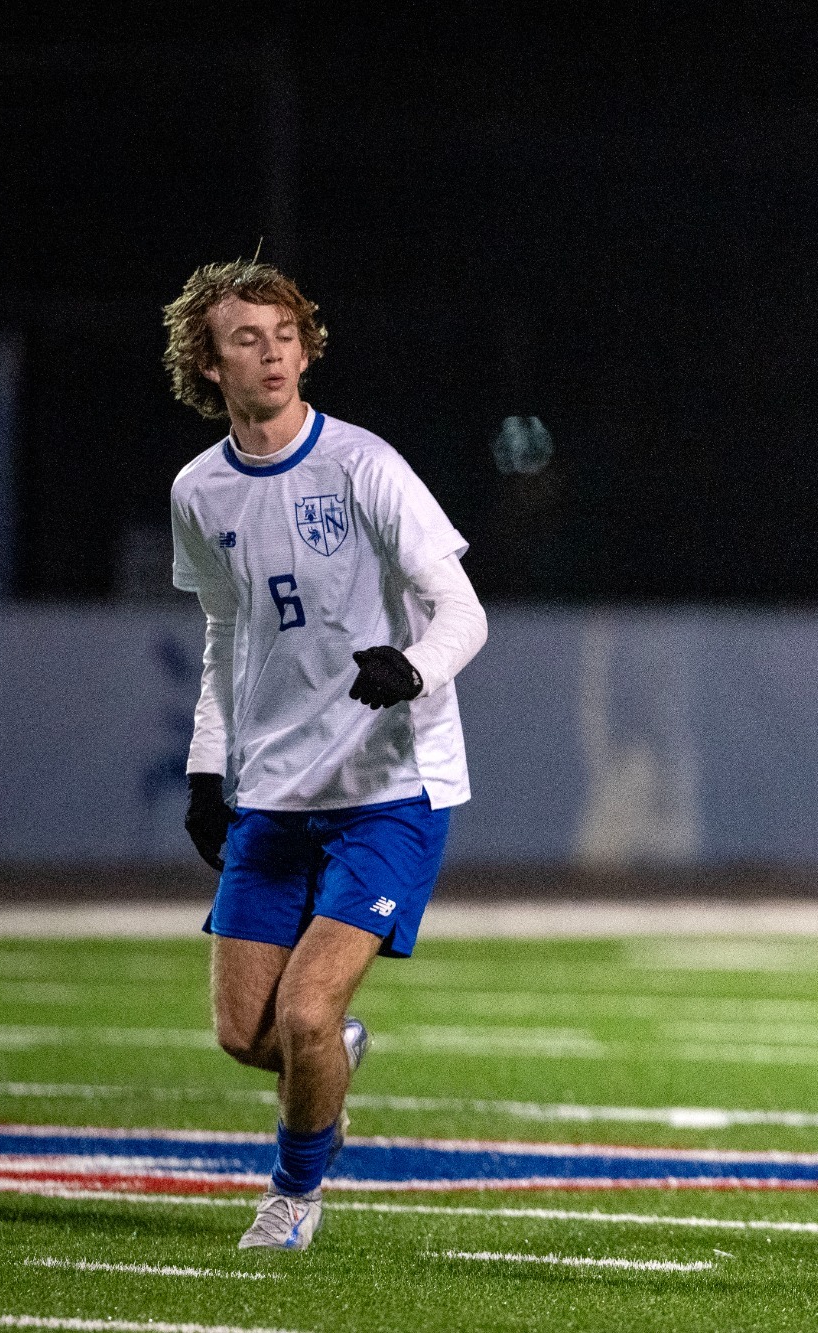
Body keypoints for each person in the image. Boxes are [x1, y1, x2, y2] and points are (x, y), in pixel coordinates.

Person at [163, 260, 489, 1250]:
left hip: (391, 786)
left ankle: (294, 1196)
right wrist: (206, 768)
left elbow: (462, 611)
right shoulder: (199, 490)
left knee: (303, 1016)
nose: (270, 353)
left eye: (284, 334)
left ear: (307, 346)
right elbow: (228, 637)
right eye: (245, 339)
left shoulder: (362, 466)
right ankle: (330, 1064)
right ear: (207, 364)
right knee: (242, 1034)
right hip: (274, 791)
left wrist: (416, 669)